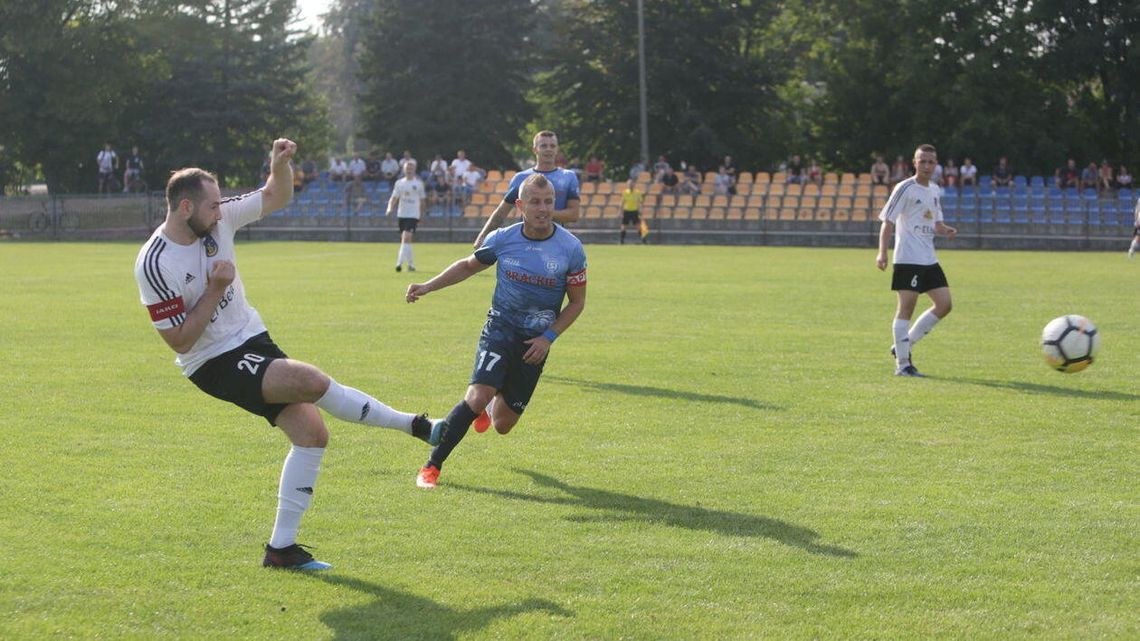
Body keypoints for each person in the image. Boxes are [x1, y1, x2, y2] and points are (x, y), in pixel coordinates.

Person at [133, 138, 442, 570]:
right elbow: (180, 341)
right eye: (213, 207)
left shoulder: (214, 220)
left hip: (251, 338)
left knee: (312, 434)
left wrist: (279, 165)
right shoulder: (154, 262)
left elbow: (276, 195)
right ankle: (420, 427)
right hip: (212, 361)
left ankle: (281, 550)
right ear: (186, 207)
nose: (221, 212)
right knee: (310, 381)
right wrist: (217, 288)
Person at [406, 174, 587, 489]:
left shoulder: (570, 249)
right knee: (477, 394)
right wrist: (427, 286)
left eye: (548, 202)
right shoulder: (503, 239)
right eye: (535, 202)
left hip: (535, 342)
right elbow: (467, 266)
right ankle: (431, 466)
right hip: (500, 328)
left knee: (503, 425)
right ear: (520, 205)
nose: (543, 209)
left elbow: (577, 303)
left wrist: (548, 338)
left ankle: (490, 404)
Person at [875, 144, 957, 377]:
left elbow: (936, 224)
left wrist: (946, 230)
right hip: (908, 259)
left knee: (944, 305)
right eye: (922, 161)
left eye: (931, 162)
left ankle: (904, 343)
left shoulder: (934, 190)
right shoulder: (905, 188)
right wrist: (882, 253)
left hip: (929, 259)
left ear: (936, 164)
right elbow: (887, 221)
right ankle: (903, 365)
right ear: (914, 163)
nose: (927, 166)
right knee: (906, 310)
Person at [472, 130, 580, 248]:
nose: (548, 149)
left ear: (557, 149)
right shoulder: (520, 178)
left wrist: (539, 213)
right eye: (544, 145)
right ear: (535, 150)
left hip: (556, 244)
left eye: (552, 146)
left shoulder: (568, 177)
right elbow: (501, 213)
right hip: (524, 243)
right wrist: (482, 238)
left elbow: (573, 215)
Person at [388, 160, 426, 272]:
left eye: (411, 168)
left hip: (413, 215)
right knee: (406, 240)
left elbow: (423, 201)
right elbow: (394, 197)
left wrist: (421, 214)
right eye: (407, 168)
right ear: (404, 170)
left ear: (414, 170)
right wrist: (389, 207)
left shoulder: (418, 184)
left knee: (406, 237)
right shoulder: (399, 183)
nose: (409, 170)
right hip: (402, 214)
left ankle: (399, 263)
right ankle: (411, 265)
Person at [619, 179, 645, 245]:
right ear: (627, 185)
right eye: (629, 184)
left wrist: (641, 210)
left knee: (638, 226)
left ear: (634, 184)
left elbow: (641, 202)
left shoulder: (637, 192)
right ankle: (621, 241)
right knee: (624, 226)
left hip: (634, 211)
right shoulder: (625, 192)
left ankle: (643, 240)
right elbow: (622, 203)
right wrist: (620, 211)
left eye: (631, 184)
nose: (630, 185)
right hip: (627, 211)